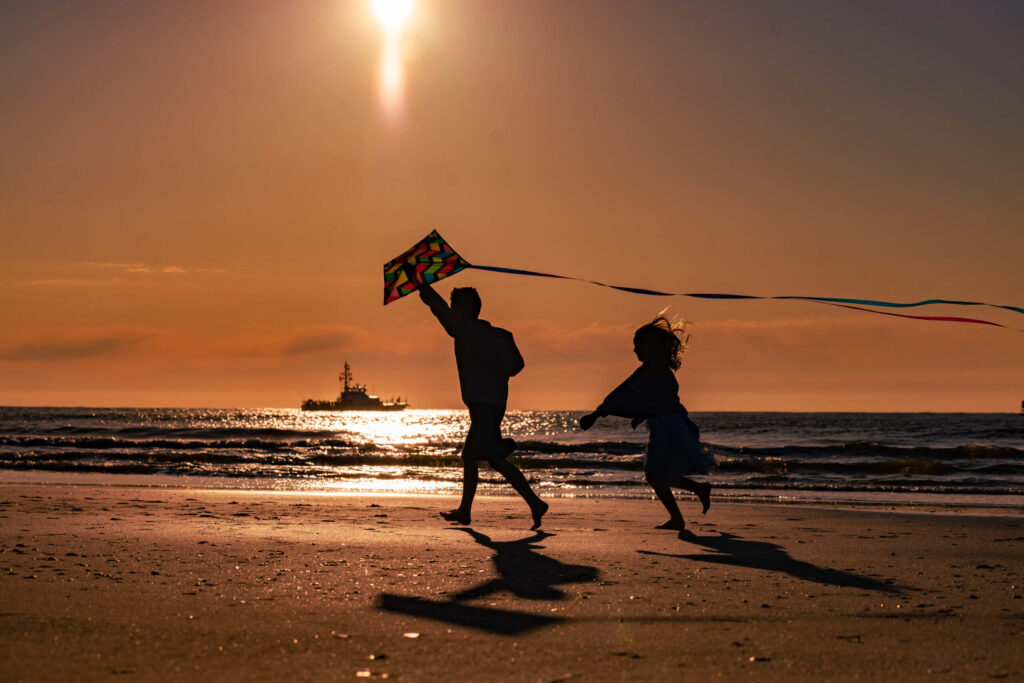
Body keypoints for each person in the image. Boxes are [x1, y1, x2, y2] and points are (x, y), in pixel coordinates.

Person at [403, 264, 548, 529]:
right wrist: (497, 368)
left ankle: (466, 510)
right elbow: (517, 367)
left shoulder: (464, 330)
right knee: (494, 460)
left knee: (470, 456)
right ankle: (534, 503)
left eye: (455, 306)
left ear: (463, 309)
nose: (453, 310)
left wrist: (418, 281)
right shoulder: (502, 335)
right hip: (494, 403)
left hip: (484, 405)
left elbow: (436, 306)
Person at [579, 315, 714, 531]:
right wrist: (641, 414)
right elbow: (659, 399)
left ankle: (680, 515)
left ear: (650, 347)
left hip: (668, 428)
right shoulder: (661, 370)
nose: (634, 351)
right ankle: (698, 491)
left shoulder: (650, 369)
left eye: (637, 346)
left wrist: (597, 413)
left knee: (654, 475)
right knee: (661, 474)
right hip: (671, 425)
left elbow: (624, 391)